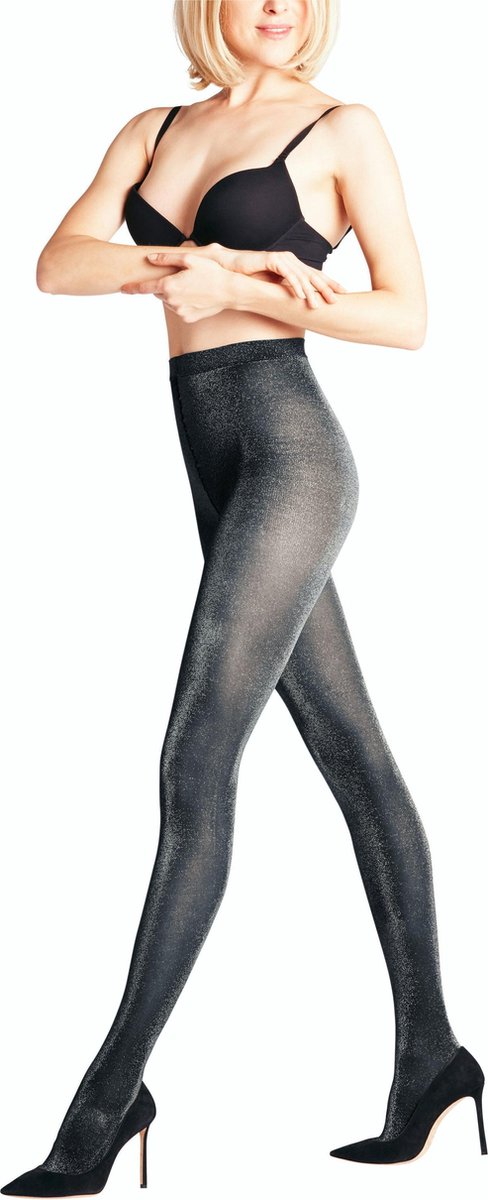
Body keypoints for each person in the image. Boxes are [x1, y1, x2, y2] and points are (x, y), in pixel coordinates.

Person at [2, 0, 486, 1192]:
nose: (278, 4)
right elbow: (59, 264)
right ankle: (431, 1064)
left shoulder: (342, 127)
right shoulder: (154, 128)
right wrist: (201, 263)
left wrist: (250, 286)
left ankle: (105, 1105)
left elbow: (405, 318)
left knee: (194, 759)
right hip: (215, 464)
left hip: (291, 456)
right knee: (355, 759)